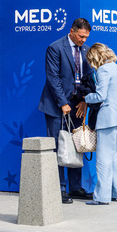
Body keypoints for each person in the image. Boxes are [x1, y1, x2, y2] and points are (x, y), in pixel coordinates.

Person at [38, 18, 94, 204]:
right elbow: (53, 78)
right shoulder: (55, 48)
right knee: (58, 146)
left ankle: (76, 187)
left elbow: (88, 78)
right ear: (71, 31)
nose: (83, 40)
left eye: (86, 37)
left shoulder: (85, 50)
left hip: (77, 106)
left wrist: (85, 100)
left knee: (76, 145)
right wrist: (63, 103)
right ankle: (59, 189)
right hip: (57, 107)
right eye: (80, 36)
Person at [84, 43, 117, 205]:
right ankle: (116, 192)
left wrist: (85, 98)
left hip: (109, 117)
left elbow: (101, 95)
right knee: (115, 156)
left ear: (94, 57)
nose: (91, 64)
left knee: (103, 158)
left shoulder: (103, 70)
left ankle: (102, 197)